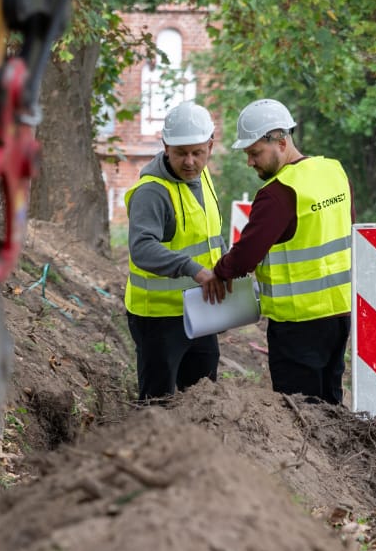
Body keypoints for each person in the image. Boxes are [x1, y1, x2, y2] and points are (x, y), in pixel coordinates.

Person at [208, 98, 353, 404]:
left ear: (282, 142)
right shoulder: (334, 172)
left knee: (300, 411)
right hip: (339, 315)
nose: (250, 162)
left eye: (255, 153)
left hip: (298, 324)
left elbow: (246, 255)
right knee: (330, 402)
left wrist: (220, 272)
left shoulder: (277, 193)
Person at [123, 100, 227, 400]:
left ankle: (195, 447)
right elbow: (142, 249)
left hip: (200, 309)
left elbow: (209, 238)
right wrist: (193, 270)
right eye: (181, 153)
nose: (190, 162)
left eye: (198, 152)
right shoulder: (152, 192)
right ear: (166, 146)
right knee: (158, 402)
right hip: (159, 318)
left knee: (203, 397)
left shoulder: (202, 176)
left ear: (210, 144)